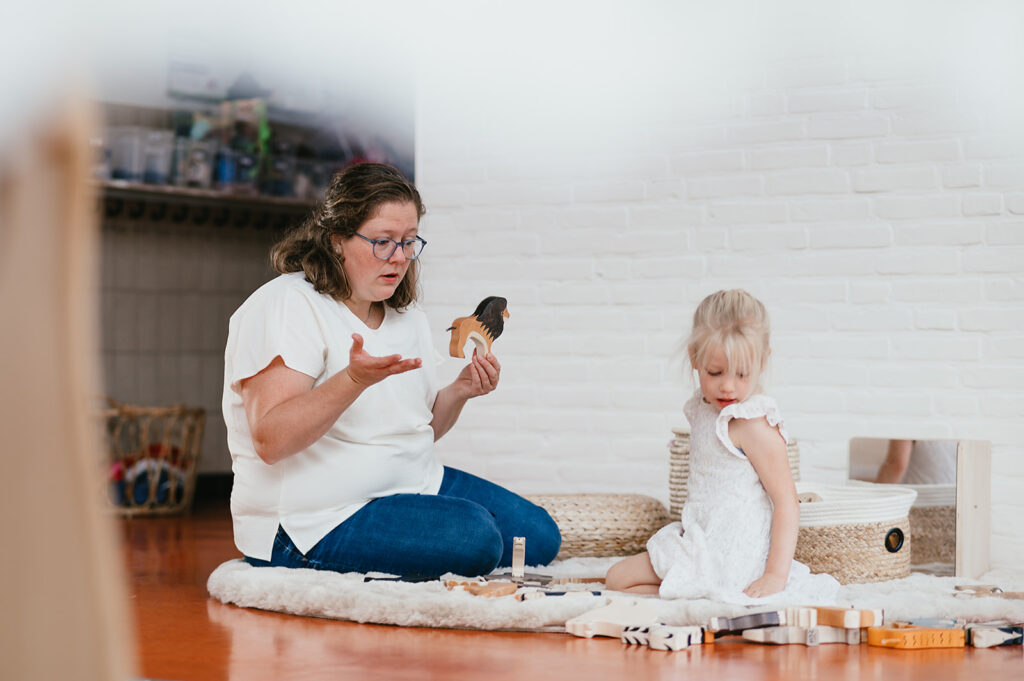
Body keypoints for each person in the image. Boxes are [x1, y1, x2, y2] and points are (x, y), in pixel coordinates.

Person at [222, 162, 560, 580]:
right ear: (337, 240)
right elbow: (270, 440)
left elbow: (419, 432)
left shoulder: (406, 316)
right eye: (382, 242)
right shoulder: (287, 305)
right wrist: (352, 380)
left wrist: (459, 391)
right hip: (313, 519)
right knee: (478, 537)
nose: (399, 258)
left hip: (412, 483)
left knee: (540, 536)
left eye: (408, 241)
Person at [604, 290, 838, 603]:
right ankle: (698, 592)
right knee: (617, 579)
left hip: (733, 551)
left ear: (763, 361)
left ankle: (710, 589)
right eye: (715, 373)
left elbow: (787, 502)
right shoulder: (705, 407)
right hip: (703, 536)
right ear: (694, 358)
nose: (727, 386)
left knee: (618, 579)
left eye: (741, 374)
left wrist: (774, 575)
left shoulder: (753, 424)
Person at [875, 439, 957, 485]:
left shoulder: (910, 415)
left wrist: (875, 498)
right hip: (956, 504)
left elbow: (896, 466)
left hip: (917, 505)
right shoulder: (964, 414)